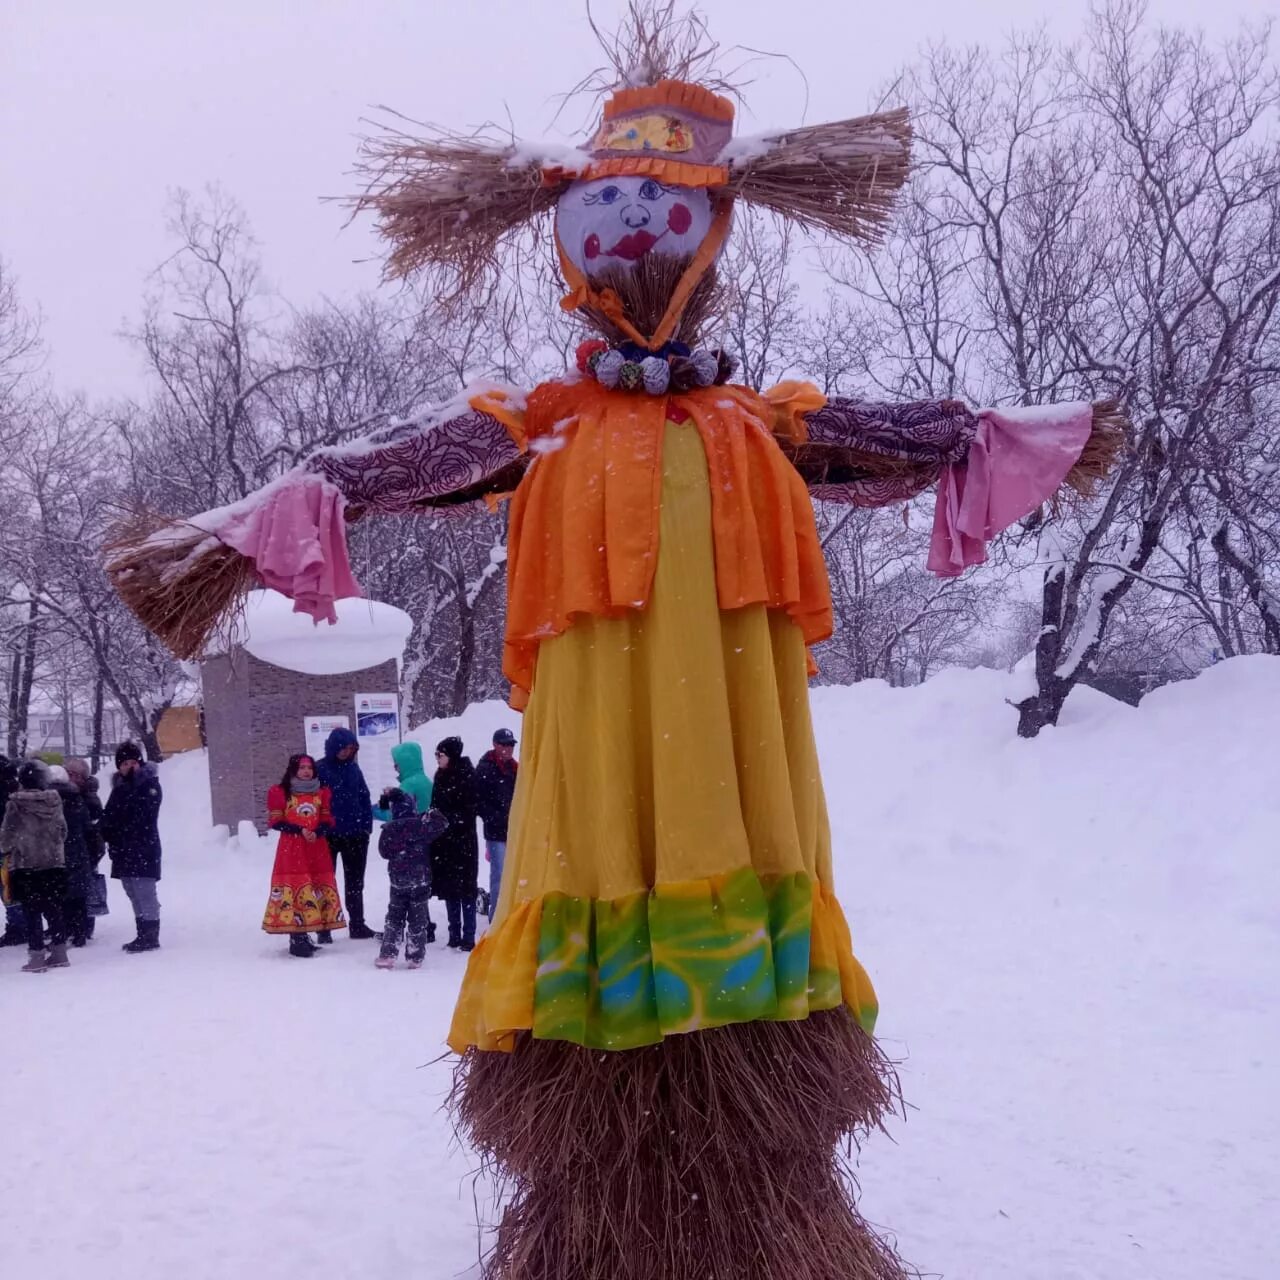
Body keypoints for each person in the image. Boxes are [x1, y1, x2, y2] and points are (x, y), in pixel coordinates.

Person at [263, 754, 345, 958]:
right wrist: (299, 830)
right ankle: (296, 938)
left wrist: (317, 832)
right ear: (293, 771)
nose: (306, 771)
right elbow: (276, 822)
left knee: (314, 887)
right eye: (301, 768)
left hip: (316, 848)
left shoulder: (322, 792)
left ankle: (306, 933)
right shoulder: (281, 792)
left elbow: (327, 820)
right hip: (292, 848)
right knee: (296, 887)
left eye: (309, 768)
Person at [0, 761, 69, 972]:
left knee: (32, 913)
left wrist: (10, 848)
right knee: (53, 908)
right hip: (53, 865)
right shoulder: (54, 801)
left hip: (27, 866)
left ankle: (37, 956)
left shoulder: (15, 805)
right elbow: (63, 832)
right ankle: (59, 952)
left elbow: (7, 837)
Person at [100, 742, 164, 954]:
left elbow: (142, 815)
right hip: (123, 850)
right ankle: (141, 931)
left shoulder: (149, 785)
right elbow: (109, 816)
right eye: (124, 763)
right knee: (132, 891)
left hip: (143, 849)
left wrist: (132, 787)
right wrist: (106, 832)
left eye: (133, 762)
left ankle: (150, 934)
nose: (129, 767)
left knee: (145, 891)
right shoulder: (119, 789)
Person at [374, 788, 447, 970]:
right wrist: (430, 812)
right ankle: (415, 956)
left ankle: (388, 954)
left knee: (394, 917)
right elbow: (442, 823)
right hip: (420, 878)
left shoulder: (390, 829)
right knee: (418, 917)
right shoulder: (421, 826)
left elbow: (384, 852)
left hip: (398, 880)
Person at [371, 740, 437, 942]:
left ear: (406, 762)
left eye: (397, 762)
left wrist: (374, 811)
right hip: (422, 841)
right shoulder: (425, 780)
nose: (395, 766)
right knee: (419, 888)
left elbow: (397, 816)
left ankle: (404, 932)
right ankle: (426, 926)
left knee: (402, 893)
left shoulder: (408, 785)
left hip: (406, 845)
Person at [315, 727, 376, 941]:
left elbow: (364, 797)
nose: (345, 752)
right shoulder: (319, 769)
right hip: (327, 836)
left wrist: (366, 827)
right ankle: (324, 927)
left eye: (350, 748)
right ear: (333, 747)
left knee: (355, 883)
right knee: (324, 883)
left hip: (355, 836)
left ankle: (357, 925)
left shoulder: (354, 769)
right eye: (342, 747)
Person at [430, 736, 479, 951]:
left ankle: (468, 935)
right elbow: (435, 804)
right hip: (445, 842)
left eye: (440, 755)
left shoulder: (467, 775)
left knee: (467, 887)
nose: (438, 759)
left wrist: (449, 819)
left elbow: (470, 809)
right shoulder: (440, 776)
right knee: (450, 887)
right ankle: (454, 933)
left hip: (464, 840)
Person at [48, 765, 94, 947]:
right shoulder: (76, 798)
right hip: (77, 851)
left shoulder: (48, 800)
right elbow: (86, 826)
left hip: (56, 853)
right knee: (78, 895)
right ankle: (80, 932)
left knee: (60, 895)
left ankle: (63, 930)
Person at [474, 728, 518, 918]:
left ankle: (510, 914)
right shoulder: (485, 768)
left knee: (515, 875)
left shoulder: (515, 768)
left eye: (511, 745)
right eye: (504, 745)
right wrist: (494, 817)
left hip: (515, 830)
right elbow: (477, 800)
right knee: (498, 875)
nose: (508, 749)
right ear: (495, 745)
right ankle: (496, 916)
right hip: (496, 831)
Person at [65, 757, 107, 937]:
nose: (70, 777)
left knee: (85, 891)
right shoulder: (65, 795)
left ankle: (84, 926)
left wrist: (91, 854)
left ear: (82, 778)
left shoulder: (88, 798)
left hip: (86, 851)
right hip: (72, 851)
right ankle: (69, 925)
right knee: (68, 890)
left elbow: (94, 829)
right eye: (68, 773)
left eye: (74, 774)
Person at [0, 753, 27, 947]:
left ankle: (18, 927)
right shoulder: (13, 787)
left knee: (8, 886)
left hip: (7, 846)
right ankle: (19, 925)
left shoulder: (7, 789)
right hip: (11, 845)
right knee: (9, 887)